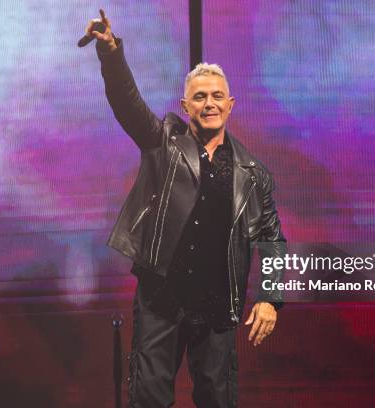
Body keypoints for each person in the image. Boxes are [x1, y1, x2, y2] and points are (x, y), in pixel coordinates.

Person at [86, 9, 286, 408]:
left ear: (230, 104)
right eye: (200, 97)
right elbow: (127, 103)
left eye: (216, 96)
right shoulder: (164, 143)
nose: (208, 103)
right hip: (162, 299)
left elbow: (272, 238)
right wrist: (111, 53)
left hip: (217, 307)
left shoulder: (253, 174)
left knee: (217, 398)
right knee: (149, 397)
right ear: (186, 104)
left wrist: (270, 296)